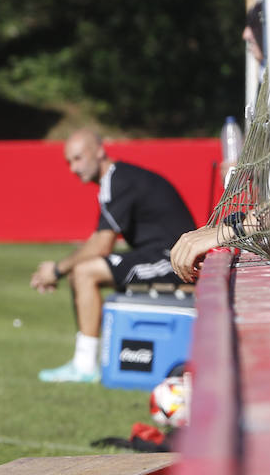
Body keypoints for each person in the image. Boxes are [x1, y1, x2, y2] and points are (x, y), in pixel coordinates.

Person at [29, 129, 194, 383]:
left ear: (99, 151)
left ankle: (85, 366)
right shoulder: (117, 179)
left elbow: (101, 245)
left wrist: (56, 270)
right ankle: (83, 362)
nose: (73, 168)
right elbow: (99, 242)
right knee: (81, 272)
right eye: (69, 162)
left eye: (78, 158)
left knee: (84, 271)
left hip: (174, 260)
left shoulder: (118, 180)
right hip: (160, 254)